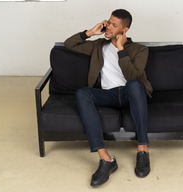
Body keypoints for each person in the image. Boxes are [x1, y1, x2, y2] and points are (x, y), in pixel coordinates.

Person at [64, 9, 153, 187]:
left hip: (131, 93)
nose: (108, 26)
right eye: (108, 22)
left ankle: (142, 150)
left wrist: (121, 50)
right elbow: (69, 44)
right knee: (82, 93)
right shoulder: (99, 46)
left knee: (135, 85)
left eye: (114, 25)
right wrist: (90, 32)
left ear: (125, 29)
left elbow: (134, 77)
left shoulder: (140, 50)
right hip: (109, 94)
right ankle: (106, 159)